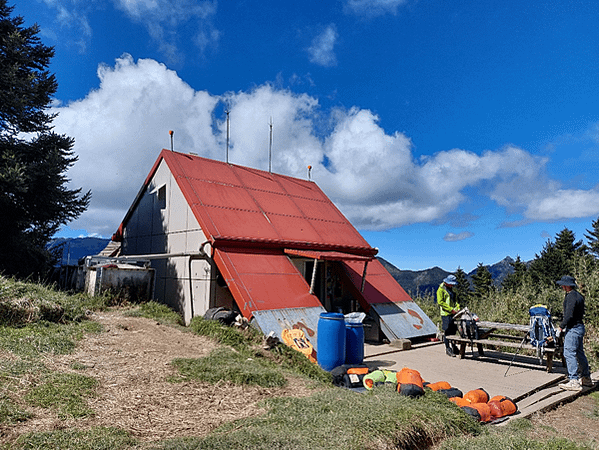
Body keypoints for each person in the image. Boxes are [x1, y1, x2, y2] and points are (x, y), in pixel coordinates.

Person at [556, 275, 593, 391]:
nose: (562, 286)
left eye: (563, 284)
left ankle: (573, 381)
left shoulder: (571, 296)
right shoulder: (579, 296)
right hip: (580, 327)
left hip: (573, 329)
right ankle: (586, 378)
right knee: (579, 353)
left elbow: (569, 314)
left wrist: (561, 327)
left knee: (569, 353)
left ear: (567, 286)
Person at [437, 274, 460, 357]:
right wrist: (451, 309)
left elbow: (456, 300)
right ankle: (448, 348)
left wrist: (457, 308)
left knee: (453, 331)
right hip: (446, 314)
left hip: (454, 313)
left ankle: (454, 347)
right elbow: (440, 302)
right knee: (447, 331)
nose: (452, 285)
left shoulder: (452, 290)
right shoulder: (441, 289)